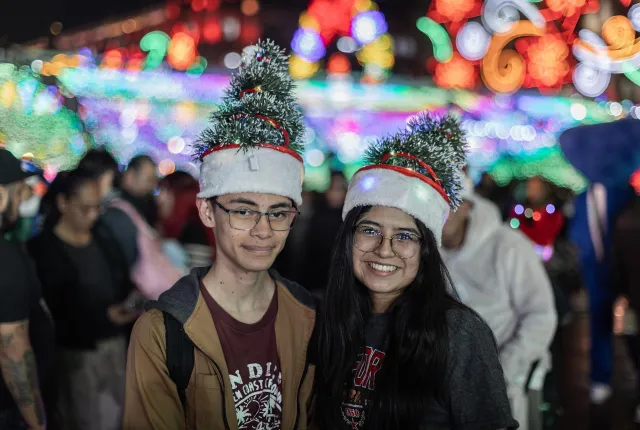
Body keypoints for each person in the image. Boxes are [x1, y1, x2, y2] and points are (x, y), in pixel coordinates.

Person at [124, 40, 317, 429]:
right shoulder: (162, 332)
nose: (263, 231)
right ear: (207, 211)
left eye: (278, 213)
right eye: (244, 210)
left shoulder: (309, 316)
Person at [314, 114, 518, 430]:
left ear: (425, 250)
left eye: (405, 236)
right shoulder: (325, 319)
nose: (385, 249)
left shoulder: (458, 333)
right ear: (349, 238)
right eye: (370, 230)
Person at [441, 172, 557, 430]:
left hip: (505, 380)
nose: (440, 213)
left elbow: (540, 314)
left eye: (447, 204)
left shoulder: (509, 246)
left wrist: (503, 369)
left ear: (467, 207)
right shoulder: (423, 252)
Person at [28, 169, 139, 430]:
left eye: (97, 208)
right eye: (85, 208)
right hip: (73, 356)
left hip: (114, 346)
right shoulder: (43, 250)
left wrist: (128, 303)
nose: (93, 215)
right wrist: (101, 316)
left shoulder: (103, 238)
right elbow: (48, 313)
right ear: (63, 203)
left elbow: (122, 277)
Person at [0, 148, 54, 430]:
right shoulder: (6, 259)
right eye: (20, 191)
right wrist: (37, 422)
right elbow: (13, 352)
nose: (24, 199)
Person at [101, 154, 183, 300]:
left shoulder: (140, 208)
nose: (152, 187)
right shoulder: (119, 213)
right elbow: (126, 263)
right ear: (130, 175)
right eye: (149, 180)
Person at [157, 171, 216, 268]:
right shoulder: (196, 218)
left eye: (164, 190)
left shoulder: (194, 228)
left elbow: (196, 277)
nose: (159, 198)